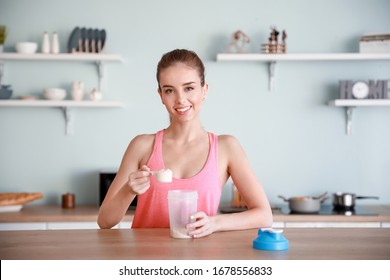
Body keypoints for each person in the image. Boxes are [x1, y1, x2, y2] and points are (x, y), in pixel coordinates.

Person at [97, 49, 272, 238]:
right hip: (148, 261)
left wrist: (215, 223)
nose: (180, 99)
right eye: (170, 90)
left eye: (189, 88)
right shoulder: (141, 146)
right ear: (161, 95)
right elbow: (105, 221)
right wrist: (128, 191)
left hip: (203, 260)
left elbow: (264, 215)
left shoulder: (226, 147)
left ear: (204, 90)